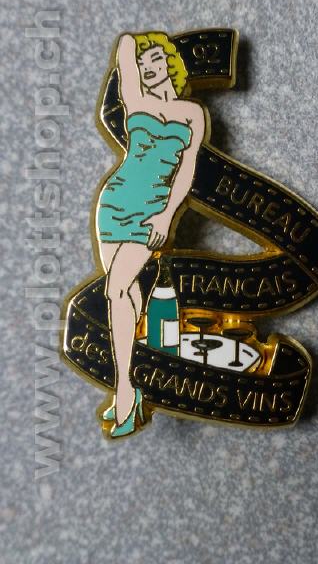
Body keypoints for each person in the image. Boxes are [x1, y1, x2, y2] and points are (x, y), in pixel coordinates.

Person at [96, 32, 205, 437]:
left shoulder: (192, 113)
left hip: (150, 213)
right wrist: (136, 46)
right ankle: (135, 382)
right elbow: (124, 48)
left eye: (157, 59)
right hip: (114, 204)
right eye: (144, 65)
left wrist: (165, 217)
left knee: (116, 290)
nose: (149, 68)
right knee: (126, 295)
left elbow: (186, 173)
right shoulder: (136, 102)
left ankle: (125, 391)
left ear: (171, 63)